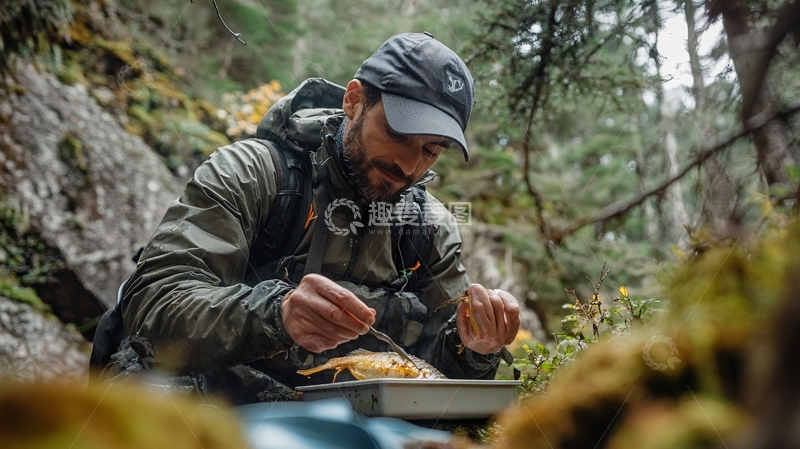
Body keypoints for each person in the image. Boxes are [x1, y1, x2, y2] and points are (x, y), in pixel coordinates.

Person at [116, 32, 521, 404]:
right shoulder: (250, 173)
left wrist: (475, 350)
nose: (410, 165)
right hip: (218, 407)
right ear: (354, 100)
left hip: (346, 422)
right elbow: (152, 308)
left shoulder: (428, 227)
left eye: (432, 150)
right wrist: (277, 314)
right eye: (398, 133)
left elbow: (435, 375)